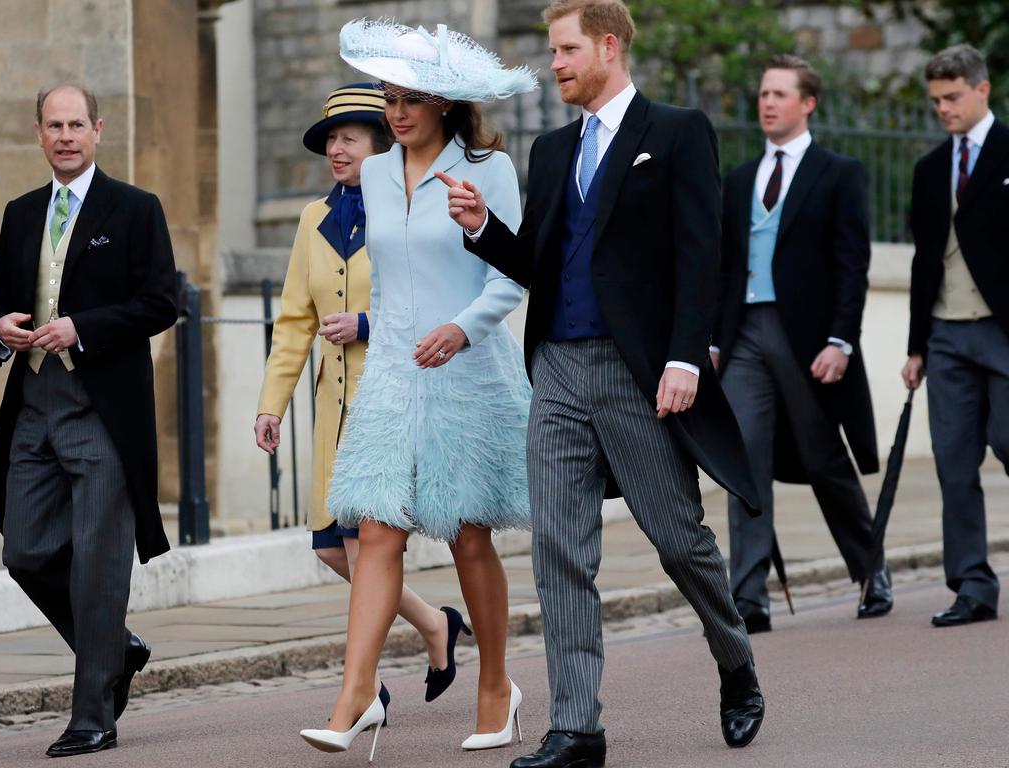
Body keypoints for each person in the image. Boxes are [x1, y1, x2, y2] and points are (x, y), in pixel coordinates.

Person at [444, 2, 765, 766]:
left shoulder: (678, 132)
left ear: (608, 46)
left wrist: (686, 358)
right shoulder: (554, 151)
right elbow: (544, 268)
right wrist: (484, 228)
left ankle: (736, 664)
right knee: (559, 551)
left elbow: (702, 255)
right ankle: (577, 729)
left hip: (640, 374)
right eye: (552, 50)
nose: (553, 64)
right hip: (556, 367)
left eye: (564, 50)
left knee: (679, 541)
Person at [297, 20, 536, 760]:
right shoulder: (373, 174)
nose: (396, 114)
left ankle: (496, 684)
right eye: (389, 100)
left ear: (445, 104)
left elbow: (516, 272)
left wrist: (462, 328)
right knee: (374, 529)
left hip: (466, 366)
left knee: (468, 535)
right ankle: (355, 694)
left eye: (410, 101)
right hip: (394, 372)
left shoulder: (488, 167)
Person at [0, 83, 177, 757]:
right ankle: (116, 650)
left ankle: (93, 713)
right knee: (25, 551)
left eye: (77, 125)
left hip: (101, 411)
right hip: (33, 409)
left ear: (97, 131)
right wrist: (0, 325)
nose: (66, 136)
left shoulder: (135, 209)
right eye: (54, 126)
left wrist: (82, 329)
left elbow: (161, 303)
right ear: (38, 134)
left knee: (99, 563)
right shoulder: (20, 212)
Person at [254, 83, 457, 718]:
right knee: (328, 547)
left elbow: (435, 296)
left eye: (349, 138)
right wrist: (271, 403)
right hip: (333, 409)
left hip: (393, 398)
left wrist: (367, 325)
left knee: (370, 542)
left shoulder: (409, 210)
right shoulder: (313, 219)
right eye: (330, 141)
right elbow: (293, 320)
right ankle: (433, 625)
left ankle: (362, 686)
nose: (336, 150)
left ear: (379, 146)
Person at [711, 55, 892, 633]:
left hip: (807, 339)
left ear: (808, 103)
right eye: (764, 93)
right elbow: (721, 269)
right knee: (745, 465)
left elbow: (851, 265)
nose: (768, 103)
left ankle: (871, 572)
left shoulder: (838, 173)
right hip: (744, 338)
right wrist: (713, 342)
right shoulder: (739, 180)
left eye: (781, 94)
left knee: (824, 460)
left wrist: (841, 340)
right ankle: (750, 597)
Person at [903, 44, 1008, 627]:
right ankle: (972, 585)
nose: (943, 109)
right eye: (936, 101)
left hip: (1002, 331)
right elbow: (923, 262)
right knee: (953, 462)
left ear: (982, 89)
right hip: (945, 335)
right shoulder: (927, 169)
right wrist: (916, 346)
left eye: (953, 98)